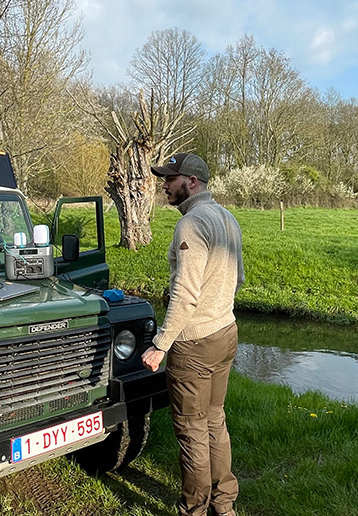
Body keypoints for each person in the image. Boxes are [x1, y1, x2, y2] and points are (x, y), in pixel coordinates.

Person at [142, 153, 244, 516]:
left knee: (191, 430)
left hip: (195, 343)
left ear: (192, 182)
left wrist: (160, 345)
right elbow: (238, 277)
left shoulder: (191, 225)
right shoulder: (227, 218)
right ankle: (225, 505)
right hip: (226, 332)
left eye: (170, 179)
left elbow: (185, 295)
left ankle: (194, 510)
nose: (164, 185)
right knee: (215, 420)